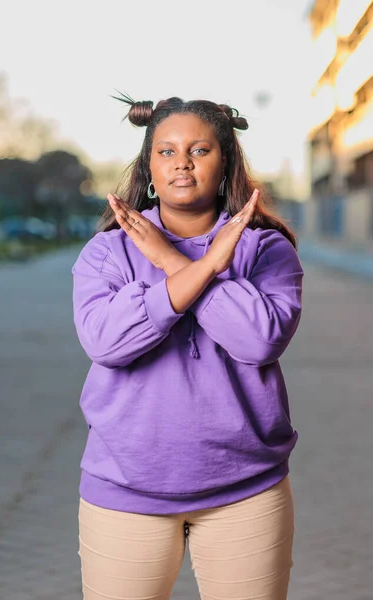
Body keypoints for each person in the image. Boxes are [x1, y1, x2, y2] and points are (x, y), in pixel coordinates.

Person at [71, 95, 304, 600]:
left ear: (226, 164)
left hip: (246, 492)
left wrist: (172, 262)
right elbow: (107, 344)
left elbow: (258, 340)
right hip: (124, 493)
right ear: (149, 165)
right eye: (166, 151)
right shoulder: (108, 250)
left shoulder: (265, 248)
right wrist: (199, 266)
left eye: (199, 150)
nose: (182, 161)